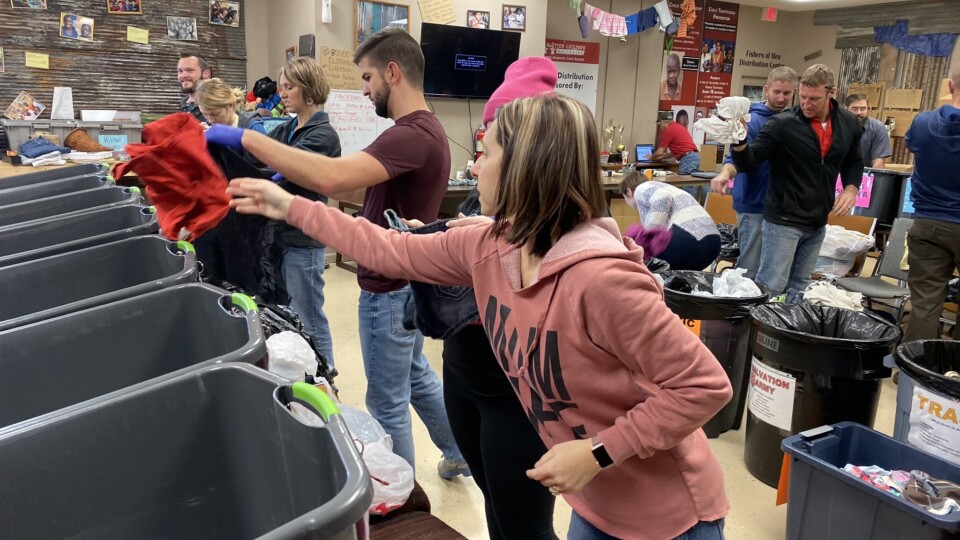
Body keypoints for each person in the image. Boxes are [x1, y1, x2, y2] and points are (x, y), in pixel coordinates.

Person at [226, 93, 732, 540]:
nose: (476, 165)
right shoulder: (489, 244)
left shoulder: (600, 280)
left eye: (486, 153)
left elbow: (705, 386)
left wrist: (599, 452)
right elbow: (384, 248)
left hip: (667, 518)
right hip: (599, 503)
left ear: (524, 166)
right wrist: (287, 204)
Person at [206, 27, 467, 477]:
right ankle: (458, 454)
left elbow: (331, 177)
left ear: (392, 72)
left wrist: (244, 139)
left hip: (388, 288)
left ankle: (403, 499)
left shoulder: (411, 134)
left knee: (387, 400)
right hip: (408, 283)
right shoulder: (421, 132)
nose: (364, 90)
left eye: (367, 78)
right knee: (418, 377)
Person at [403, 57, 560, 540]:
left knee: (524, 525)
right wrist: (433, 238)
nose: (476, 161)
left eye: (491, 143)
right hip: (466, 375)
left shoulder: (560, 227)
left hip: (517, 396)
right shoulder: (482, 204)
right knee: (497, 503)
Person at [731, 64, 862, 295]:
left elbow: (853, 160)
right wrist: (739, 141)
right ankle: (758, 332)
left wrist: (851, 189)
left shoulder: (848, 122)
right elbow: (749, 162)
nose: (806, 104)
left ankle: (788, 330)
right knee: (771, 286)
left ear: (831, 93)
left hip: (817, 221)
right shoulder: (782, 124)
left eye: (814, 98)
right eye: (802, 97)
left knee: (800, 287)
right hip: (782, 220)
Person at [710, 66, 798, 278]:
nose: (781, 98)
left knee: (772, 268)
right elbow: (736, 157)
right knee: (750, 266)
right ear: (766, 89)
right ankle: (740, 307)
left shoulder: (792, 121)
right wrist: (724, 174)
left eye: (786, 93)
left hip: (780, 208)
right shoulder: (752, 121)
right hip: (753, 205)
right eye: (776, 92)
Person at [903, 68, 960, 342]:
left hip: (927, 224)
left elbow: (913, 146)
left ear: (950, 86)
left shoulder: (923, 123)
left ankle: (913, 375)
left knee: (925, 305)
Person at [621, 173, 721, 271]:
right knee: (683, 282)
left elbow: (662, 197)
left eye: (624, 197)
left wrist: (650, 235)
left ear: (629, 192)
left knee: (655, 273)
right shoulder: (667, 187)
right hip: (713, 244)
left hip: (688, 239)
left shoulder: (641, 189)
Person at [195, 77, 266, 133]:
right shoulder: (209, 127)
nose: (210, 120)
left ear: (230, 105)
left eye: (215, 114)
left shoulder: (253, 128)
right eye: (205, 114)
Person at [845, 93, 892, 170]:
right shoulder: (836, 125)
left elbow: (878, 161)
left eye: (863, 108)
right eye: (855, 109)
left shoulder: (877, 128)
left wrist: (871, 180)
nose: (859, 112)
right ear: (846, 108)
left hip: (864, 176)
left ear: (868, 108)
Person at [649, 111, 700, 175]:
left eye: (659, 124)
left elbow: (660, 152)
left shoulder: (669, 130)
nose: (660, 126)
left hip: (687, 159)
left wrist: (651, 157)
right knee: (690, 181)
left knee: (686, 183)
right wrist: (661, 157)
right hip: (695, 157)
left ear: (662, 122)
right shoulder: (678, 127)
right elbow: (674, 153)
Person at [177, 53, 212, 123]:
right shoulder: (184, 103)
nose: (183, 75)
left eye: (189, 70)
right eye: (180, 71)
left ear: (206, 74)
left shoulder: (218, 103)